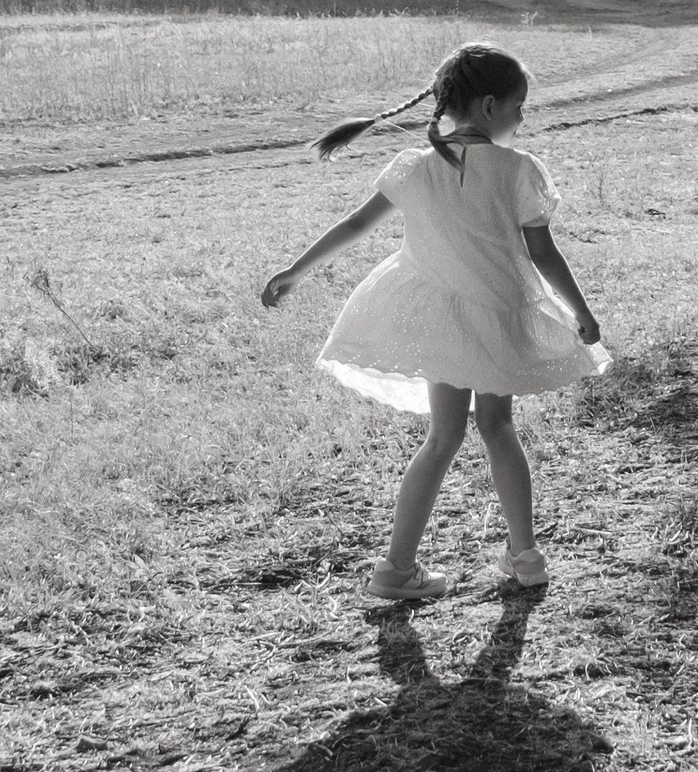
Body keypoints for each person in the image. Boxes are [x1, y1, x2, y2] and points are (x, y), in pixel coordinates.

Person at [261, 44, 608, 614]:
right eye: (521, 107)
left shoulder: (414, 165)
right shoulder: (519, 168)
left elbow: (355, 224)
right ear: (492, 105)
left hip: (443, 321)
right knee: (499, 428)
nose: (523, 119)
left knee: (443, 439)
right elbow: (543, 253)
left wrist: (297, 271)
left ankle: (397, 568)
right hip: (499, 314)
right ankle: (525, 558)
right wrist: (581, 312)